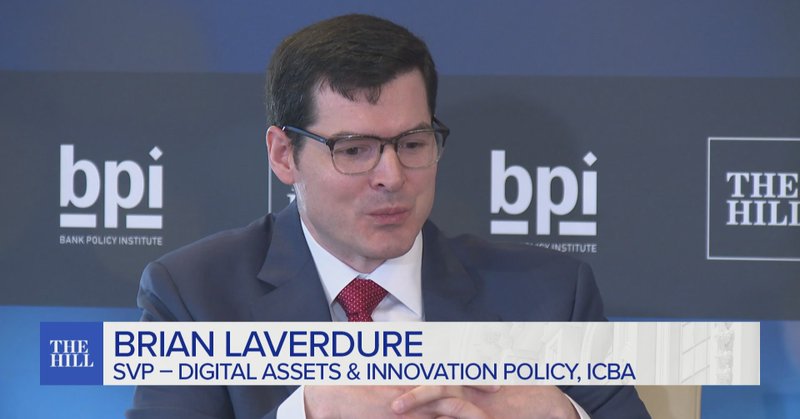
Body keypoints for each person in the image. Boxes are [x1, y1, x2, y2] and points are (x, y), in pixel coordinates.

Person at [128, 14, 650, 419]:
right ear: (284, 156)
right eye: (354, 150)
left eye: (413, 143)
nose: (392, 176)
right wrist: (308, 411)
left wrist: (565, 414)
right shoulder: (196, 294)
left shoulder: (550, 295)